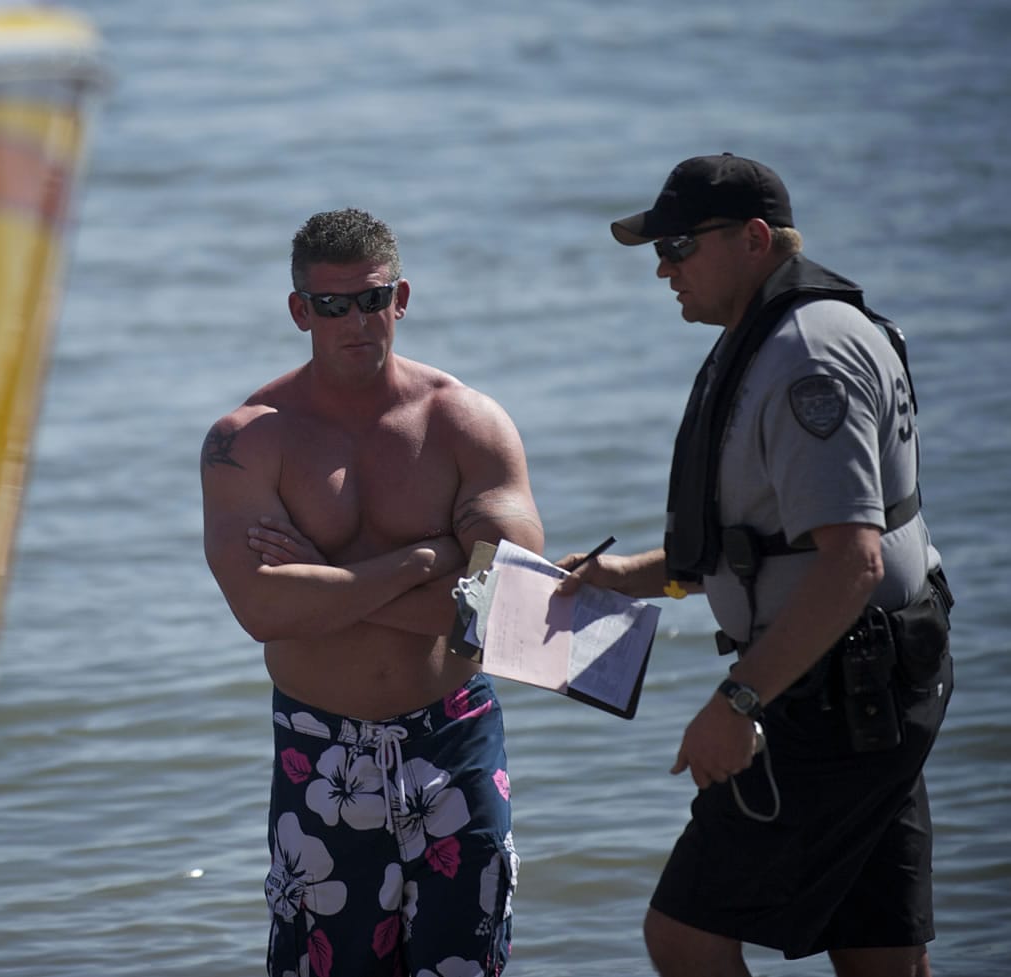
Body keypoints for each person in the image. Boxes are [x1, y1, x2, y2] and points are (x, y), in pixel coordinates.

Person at [556, 154, 953, 977]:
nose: (663, 269)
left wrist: (737, 701)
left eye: (678, 247)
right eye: (657, 252)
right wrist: (626, 575)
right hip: (858, 682)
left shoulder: (807, 356)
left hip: (840, 694)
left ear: (754, 238)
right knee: (881, 954)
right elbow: (769, 541)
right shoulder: (770, 335)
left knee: (685, 936)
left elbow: (849, 562)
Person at [200, 208, 544, 977]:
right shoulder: (251, 439)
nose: (357, 319)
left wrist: (323, 573)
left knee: (466, 965)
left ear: (402, 297)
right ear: (300, 312)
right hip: (318, 747)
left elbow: (508, 611)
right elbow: (263, 608)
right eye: (332, 305)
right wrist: (423, 560)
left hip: (452, 738)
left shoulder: (464, 422)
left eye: (373, 298)